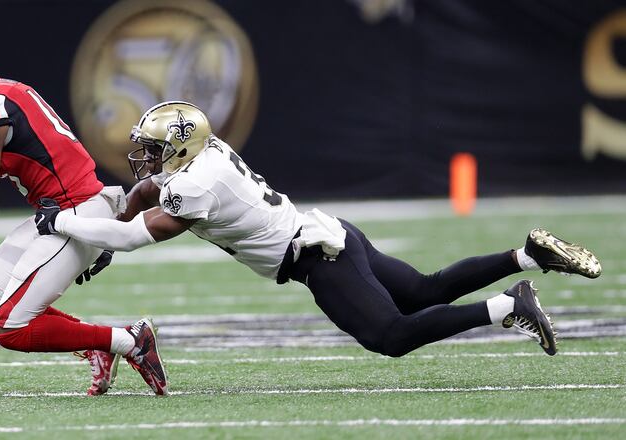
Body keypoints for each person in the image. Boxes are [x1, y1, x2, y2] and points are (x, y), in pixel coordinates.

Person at [35, 101, 602, 359]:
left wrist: (66, 222)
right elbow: (145, 197)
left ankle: (506, 308)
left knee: (391, 337)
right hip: (328, 233)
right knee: (424, 291)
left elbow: (137, 237)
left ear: (180, 146)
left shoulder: (194, 185)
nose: (146, 159)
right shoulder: (198, 160)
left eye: (154, 150)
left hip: (316, 255)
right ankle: (526, 256)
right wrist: (122, 211)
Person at [0, 53, 168, 396]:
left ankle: (129, 341)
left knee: (10, 329)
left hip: (76, 214)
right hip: (62, 211)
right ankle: (96, 345)